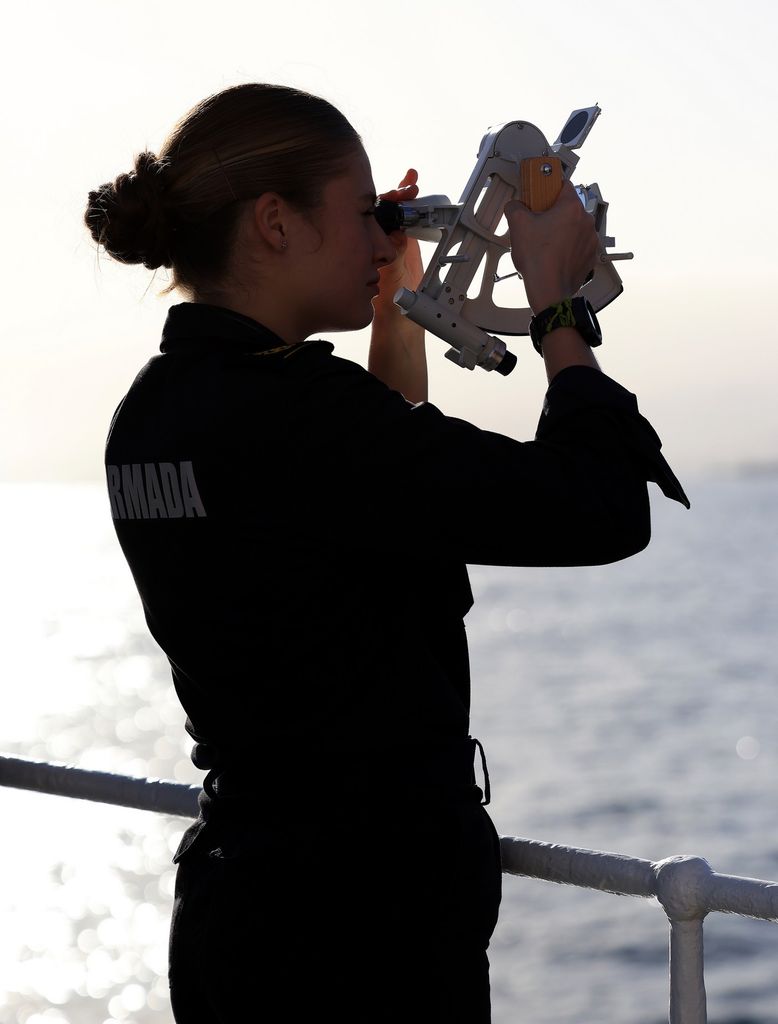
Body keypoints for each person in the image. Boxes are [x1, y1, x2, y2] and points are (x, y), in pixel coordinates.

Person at [85, 83, 688, 1023]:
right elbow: (600, 511)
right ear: (276, 223)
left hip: (242, 910)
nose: (382, 234)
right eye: (367, 212)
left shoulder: (153, 414)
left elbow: (365, 499)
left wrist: (396, 310)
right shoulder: (302, 421)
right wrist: (558, 307)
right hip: (364, 937)